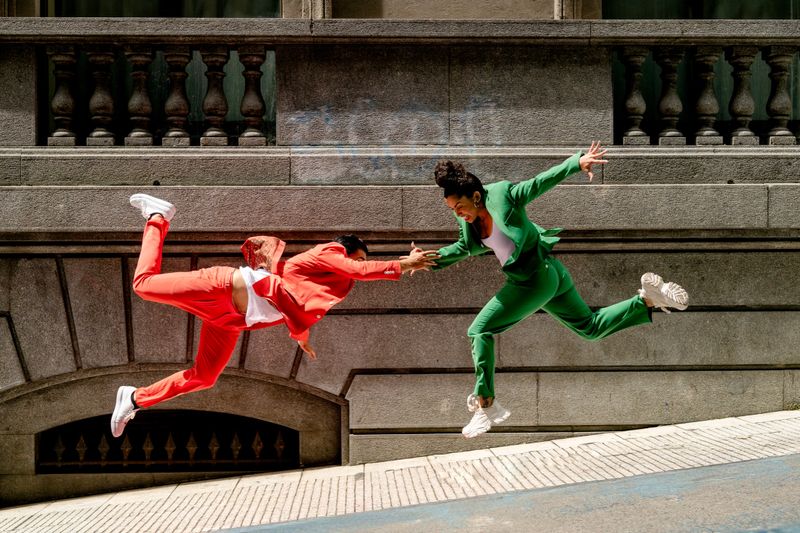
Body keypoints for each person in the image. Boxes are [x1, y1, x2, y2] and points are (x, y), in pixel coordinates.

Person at [111, 193, 439, 438]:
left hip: (231, 319)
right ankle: (157, 216)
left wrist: (302, 336)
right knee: (143, 285)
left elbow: (296, 307)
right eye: (359, 258)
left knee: (205, 375)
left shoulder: (330, 287)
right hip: (225, 287)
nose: (355, 270)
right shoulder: (331, 252)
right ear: (347, 249)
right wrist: (403, 264)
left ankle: (135, 398)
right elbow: (359, 270)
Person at [428, 142, 689, 438]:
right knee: (590, 327)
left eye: (459, 207)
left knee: (479, 331)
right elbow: (462, 248)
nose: (458, 214)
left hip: (533, 279)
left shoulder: (503, 196)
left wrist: (576, 163)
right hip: (551, 275)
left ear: (476, 196)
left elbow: (539, 182)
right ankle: (647, 300)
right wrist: (424, 261)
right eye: (452, 210)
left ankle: (485, 404)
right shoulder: (470, 223)